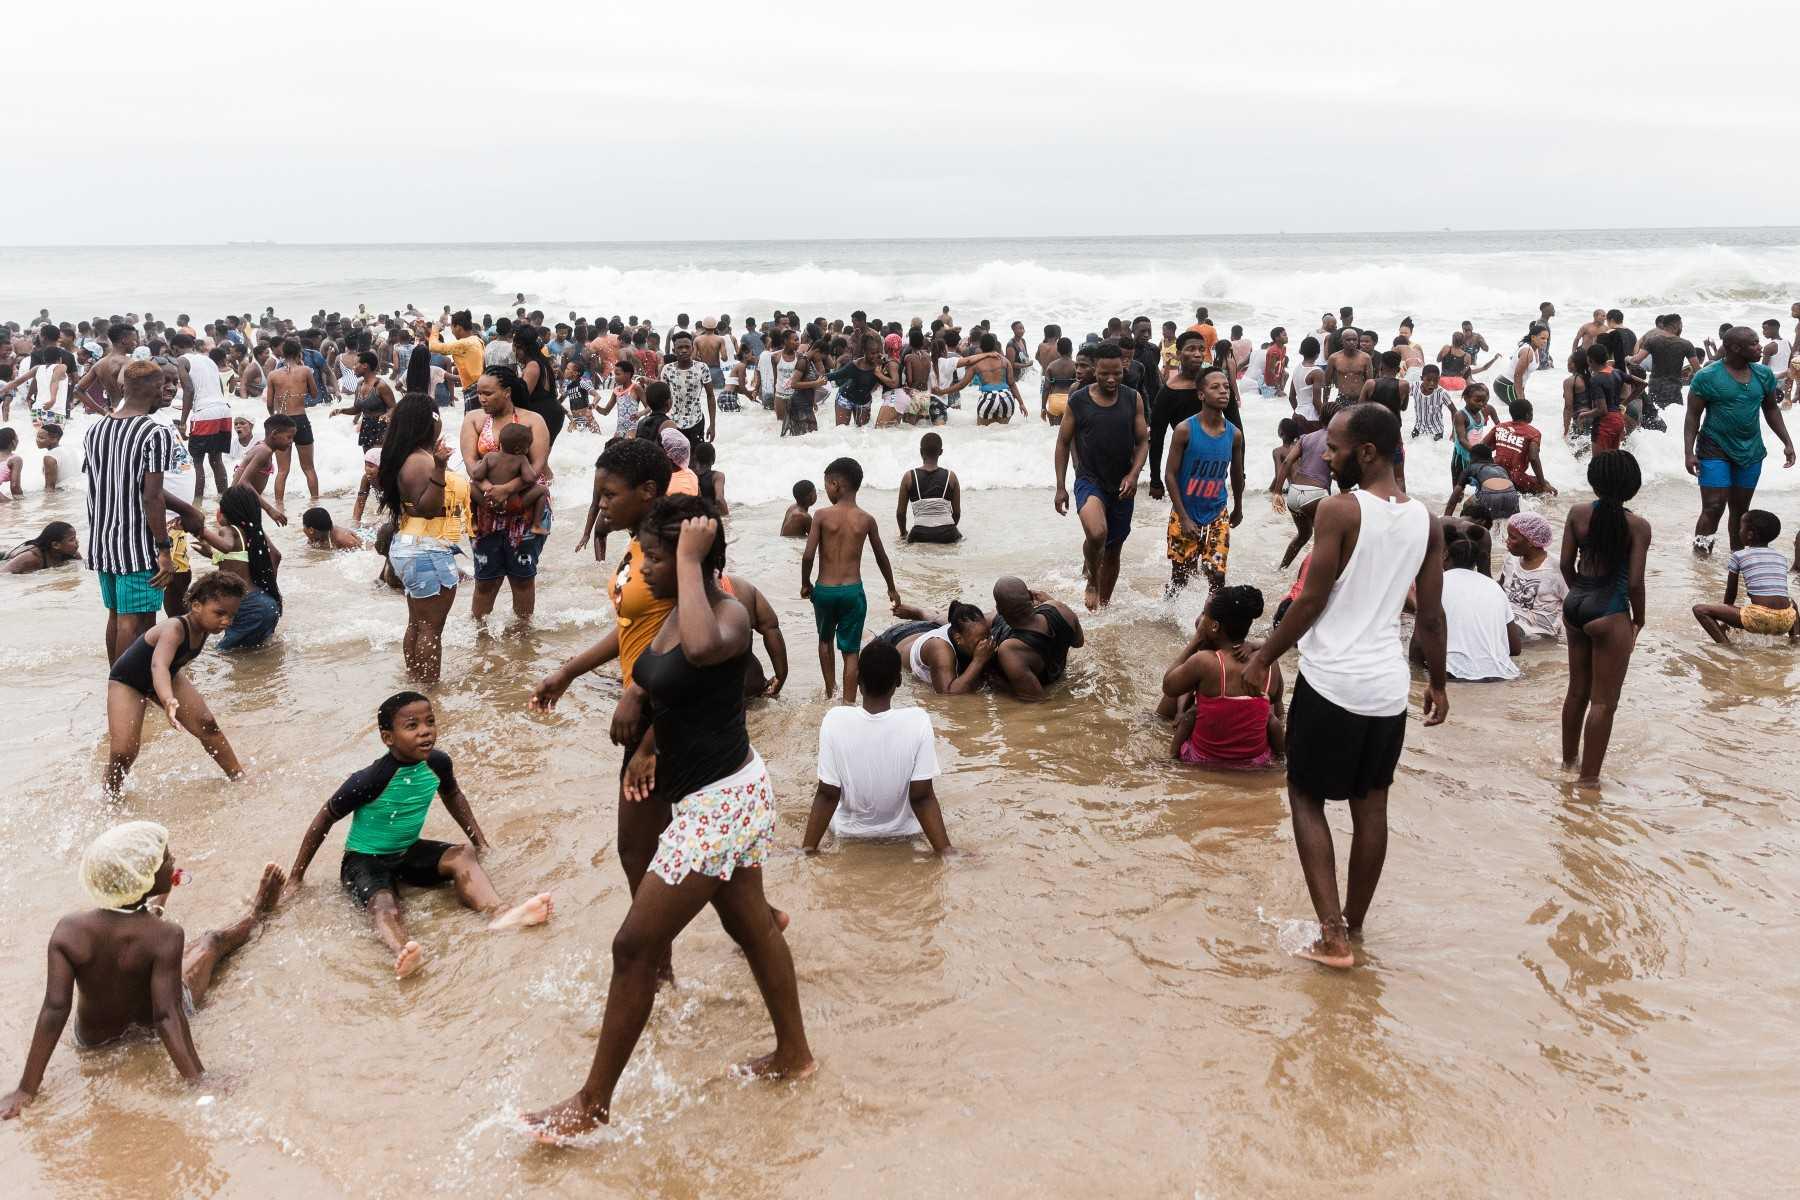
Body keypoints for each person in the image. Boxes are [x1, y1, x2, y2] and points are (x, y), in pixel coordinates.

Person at [523, 499, 813, 1141]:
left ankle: (593, 1103)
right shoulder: (675, 612)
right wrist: (634, 710)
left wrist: (685, 559)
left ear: (693, 559)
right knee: (755, 928)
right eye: (644, 554)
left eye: (653, 555)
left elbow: (706, 650)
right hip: (712, 794)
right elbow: (657, 673)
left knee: (632, 946)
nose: (640, 567)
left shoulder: (726, 615)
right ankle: (796, 1057)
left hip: (720, 805)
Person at [1241, 403, 1447, 970]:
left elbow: (1310, 600)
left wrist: (1265, 655)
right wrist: (1440, 681)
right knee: (1370, 805)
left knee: (1306, 797)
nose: (1325, 456)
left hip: (1332, 681)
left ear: (1368, 452)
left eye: (1333, 447)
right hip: (1387, 689)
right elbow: (1430, 615)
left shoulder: (1339, 511)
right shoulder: (1426, 520)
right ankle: (1353, 927)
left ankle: (1331, 935)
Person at [0, 822, 285, 1118]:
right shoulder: (167, 936)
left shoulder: (69, 931)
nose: (173, 861)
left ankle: (154, 907)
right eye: (166, 860)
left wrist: (26, 1089)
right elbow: (167, 1015)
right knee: (211, 942)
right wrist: (198, 1079)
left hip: (93, 1041)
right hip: (148, 1027)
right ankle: (256, 913)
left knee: (150, 939)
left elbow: (54, 1010)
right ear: (142, 879)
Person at [530, 437, 683, 983]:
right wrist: (569, 671)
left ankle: (656, 965)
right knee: (693, 847)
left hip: (668, 714)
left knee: (637, 850)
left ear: (647, 491)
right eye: (597, 494)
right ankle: (756, 921)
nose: (600, 505)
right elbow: (631, 629)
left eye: (609, 494)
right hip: (651, 707)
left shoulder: (672, 547)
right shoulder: (638, 544)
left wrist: (648, 736)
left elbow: (691, 632)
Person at [285, 692, 552, 979]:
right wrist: (296, 878)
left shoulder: (438, 763)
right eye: (412, 726)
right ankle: (404, 951)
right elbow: (324, 818)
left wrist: (480, 842)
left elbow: (453, 795)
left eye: (430, 722)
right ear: (388, 738)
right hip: (364, 861)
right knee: (384, 904)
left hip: (407, 852)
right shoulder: (370, 779)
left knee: (463, 854)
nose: (425, 731)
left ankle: (500, 913)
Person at [104, 572, 248, 797]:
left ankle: (238, 776)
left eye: (232, 615)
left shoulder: (205, 629)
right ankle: (110, 795)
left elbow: (167, 669)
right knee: (124, 751)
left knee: (207, 724)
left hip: (168, 676)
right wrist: (167, 698)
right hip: (128, 682)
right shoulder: (175, 628)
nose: (226, 621)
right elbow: (158, 665)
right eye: (220, 613)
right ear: (196, 605)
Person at [802, 638, 951, 854]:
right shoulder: (917, 720)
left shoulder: (835, 719)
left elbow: (827, 794)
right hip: (904, 834)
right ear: (899, 681)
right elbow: (922, 796)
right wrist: (945, 850)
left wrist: (807, 849)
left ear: (858, 681)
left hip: (848, 834)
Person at [1559, 451, 1650, 788]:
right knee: (1603, 702)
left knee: (1576, 693)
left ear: (1593, 480)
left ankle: (1568, 763)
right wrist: (1637, 619)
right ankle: (1588, 781)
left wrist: (1579, 594)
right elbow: (1636, 583)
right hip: (1610, 612)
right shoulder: (1637, 526)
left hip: (1576, 605)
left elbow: (1566, 565)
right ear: (1632, 485)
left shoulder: (1577, 513)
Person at [85, 359, 181, 663]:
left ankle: (116, 679)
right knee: (136, 620)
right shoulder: (155, 433)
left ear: (124, 387)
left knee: (115, 615)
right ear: (155, 389)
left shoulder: (95, 429)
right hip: (137, 545)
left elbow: (107, 482)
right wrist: (164, 550)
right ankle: (127, 685)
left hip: (102, 542)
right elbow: (152, 497)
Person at [380, 393, 471, 686]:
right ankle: (430, 687)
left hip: (412, 546)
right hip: (428, 548)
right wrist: (441, 468)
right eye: (436, 416)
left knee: (417, 623)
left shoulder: (409, 456)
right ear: (427, 421)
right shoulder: (421, 462)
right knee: (431, 627)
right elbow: (429, 508)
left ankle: (416, 679)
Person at [1684, 326, 1795, 555]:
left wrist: (1788, 442)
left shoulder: (1763, 374)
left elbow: (1771, 409)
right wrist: (1688, 452)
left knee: (1741, 510)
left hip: (1751, 450)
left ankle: (1738, 559)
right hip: (1714, 447)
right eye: (1754, 343)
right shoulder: (1706, 376)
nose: (1760, 347)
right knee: (1714, 507)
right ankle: (1701, 559)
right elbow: (1693, 416)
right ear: (1735, 348)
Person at [1056, 343, 1148, 610]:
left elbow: (1143, 442)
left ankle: (1104, 607)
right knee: (1097, 533)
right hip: (1090, 479)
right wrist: (1061, 487)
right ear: (1094, 369)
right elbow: (1063, 442)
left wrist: (1134, 474)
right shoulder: (1078, 400)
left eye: (1117, 373)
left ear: (1124, 368)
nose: (1111, 379)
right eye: (1104, 373)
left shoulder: (1133, 398)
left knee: (1113, 549)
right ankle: (1093, 581)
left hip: (1122, 483)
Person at [802, 457, 901, 703]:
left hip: (824, 591)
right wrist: (891, 588)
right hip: (852, 593)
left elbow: (808, 555)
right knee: (851, 651)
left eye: (826, 485)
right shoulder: (866, 519)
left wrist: (806, 583)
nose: (826, 490)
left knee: (824, 640)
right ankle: (848, 702)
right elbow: (881, 557)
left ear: (836, 484)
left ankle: (829, 692)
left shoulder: (821, 516)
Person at [463, 366, 553, 621]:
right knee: (485, 580)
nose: (482, 399)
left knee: (522, 578)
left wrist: (505, 489)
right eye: (479, 393)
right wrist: (490, 490)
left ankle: (523, 640)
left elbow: (536, 466)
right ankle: (480, 636)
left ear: (507, 392)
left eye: (488, 393)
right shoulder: (473, 419)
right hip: (485, 508)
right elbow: (470, 463)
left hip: (525, 506)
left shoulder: (533, 420)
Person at [1161, 586, 1284, 768]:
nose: (1200, 619)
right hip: (1255, 762)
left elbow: (1169, 686)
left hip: (1204, 760)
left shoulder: (1204, 661)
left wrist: (1196, 640)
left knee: (1183, 705)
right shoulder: (1269, 662)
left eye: (1204, 615)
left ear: (1214, 626)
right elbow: (1276, 700)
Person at [1163, 366, 1243, 596]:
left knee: (1217, 576)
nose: (1223, 392)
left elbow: (1237, 474)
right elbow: (1170, 475)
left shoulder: (1234, 434)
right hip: (1185, 513)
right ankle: (1168, 619)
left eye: (1226, 387)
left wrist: (1238, 507)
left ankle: (1211, 624)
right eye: (1215, 387)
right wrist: (1184, 517)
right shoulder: (1185, 430)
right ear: (1201, 394)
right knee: (1181, 576)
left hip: (1217, 513)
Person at [190, 485, 284, 651]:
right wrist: (212, 554)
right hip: (267, 603)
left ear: (228, 511)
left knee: (222, 654)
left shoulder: (229, 529)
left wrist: (200, 530)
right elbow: (275, 556)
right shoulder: (254, 532)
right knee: (255, 656)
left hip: (248, 606)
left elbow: (226, 546)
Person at [1422, 525, 1521, 681]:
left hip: (1453, 674)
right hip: (1501, 675)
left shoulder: (1437, 584)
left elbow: (1419, 642)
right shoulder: (1494, 587)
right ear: (1475, 561)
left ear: (1445, 555)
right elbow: (1515, 648)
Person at [1692, 510, 1796, 642]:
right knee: (1791, 602)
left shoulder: (1739, 555)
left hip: (1759, 617)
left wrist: (1725, 620)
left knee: (1700, 610)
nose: (1738, 531)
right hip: (1786, 621)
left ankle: (1726, 646)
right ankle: (1795, 638)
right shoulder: (1781, 557)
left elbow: (1731, 593)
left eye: (1741, 528)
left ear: (1750, 535)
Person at [988, 576, 1084, 700]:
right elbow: (1078, 643)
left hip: (1043, 684)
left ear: (999, 610)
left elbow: (1035, 700)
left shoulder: (1010, 649)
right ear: (1031, 596)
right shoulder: (1060, 609)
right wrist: (1052, 602)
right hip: (1058, 673)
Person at [874, 599, 993, 694]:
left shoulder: (969, 631)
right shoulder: (940, 650)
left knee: (938, 620)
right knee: (868, 639)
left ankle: (921, 613)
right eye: (980, 640)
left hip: (931, 627)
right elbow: (948, 694)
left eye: (987, 636)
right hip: (897, 637)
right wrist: (978, 661)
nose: (987, 642)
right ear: (958, 639)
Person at [265, 338, 322, 512]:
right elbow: (314, 394)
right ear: (299, 354)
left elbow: (269, 402)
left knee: (282, 470)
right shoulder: (305, 370)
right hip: (301, 419)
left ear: (282, 353)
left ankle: (279, 506)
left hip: (282, 422)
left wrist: (274, 418)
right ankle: (315, 503)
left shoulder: (273, 375)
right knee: (309, 468)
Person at [1271, 423, 1331, 570]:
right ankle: (1313, 576)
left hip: (1294, 491)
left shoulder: (1306, 439)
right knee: (1327, 538)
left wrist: (1276, 492)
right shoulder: (1334, 438)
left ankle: (1281, 569)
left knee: (1303, 535)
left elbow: (1284, 465)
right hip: (1315, 494)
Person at [1499, 512, 1567, 642]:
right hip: (1509, 623)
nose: (1507, 541)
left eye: (1512, 537)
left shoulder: (1557, 568)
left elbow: (1571, 606)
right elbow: (1501, 589)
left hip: (1538, 634)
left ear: (1530, 541)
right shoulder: (1510, 559)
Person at [896, 432, 961, 544]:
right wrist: (946, 531)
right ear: (941, 452)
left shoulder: (909, 477)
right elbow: (957, 513)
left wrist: (903, 533)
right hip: (948, 533)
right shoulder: (951, 477)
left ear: (921, 452)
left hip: (920, 533)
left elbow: (901, 513)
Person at [1485, 397, 1555, 494]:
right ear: (1528, 415)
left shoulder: (1499, 427)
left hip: (1493, 473)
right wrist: (1542, 483)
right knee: (1545, 487)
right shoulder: (1534, 433)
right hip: (1515, 478)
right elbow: (1533, 458)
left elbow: (1481, 448)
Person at [1444, 443, 1520, 527]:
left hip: (1490, 496)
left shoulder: (1470, 468)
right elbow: (1507, 489)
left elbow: (1454, 499)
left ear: (1472, 458)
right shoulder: (1501, 469)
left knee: (1467, 505)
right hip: (1512, 497)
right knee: (1507, 523)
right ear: (1490, 458)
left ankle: (1466, 531)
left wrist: (1445, 522)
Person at [659, 332, 715, 444]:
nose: (684, 350)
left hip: (696, 421)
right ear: (674, 350)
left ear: (692, 349)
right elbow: (663, 398)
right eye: (680, 347)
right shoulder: (667, 369)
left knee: (695, 458)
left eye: (687, 347)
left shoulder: (702, 368)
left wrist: (712, 425)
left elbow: (710, 396)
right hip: (673, 422)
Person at [1, 521, 80, 574]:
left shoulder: (73, 554)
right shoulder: (31, 558)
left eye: (75, 537)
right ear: (56, 545)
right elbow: (3, 574)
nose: (77, 542)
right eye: (71, 539)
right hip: (5, 558)